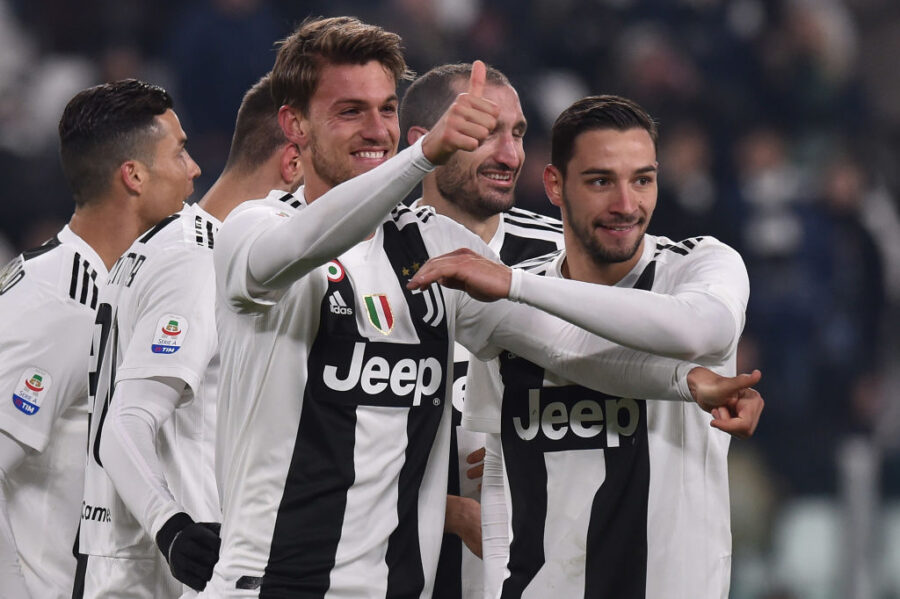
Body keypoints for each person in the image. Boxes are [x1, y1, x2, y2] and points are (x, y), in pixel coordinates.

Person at [207, 16, 761, 599]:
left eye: (386, 110)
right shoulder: (254, 230)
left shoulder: (434, 246)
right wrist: (423, 157)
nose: (376, 130)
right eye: (350, 111)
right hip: (269, 585)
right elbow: (297, 249)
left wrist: (686, 382)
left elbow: (560, 348)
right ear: (294, 124)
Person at [408, 95, 764, 598]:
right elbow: (491, 469)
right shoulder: (504, 303)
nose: (626, 204)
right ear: (554, 185)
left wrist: (516, 284)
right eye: (601, 181)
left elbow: (698, 332)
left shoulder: (700, 266)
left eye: (643, 179)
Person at [76, 73, 302, 599]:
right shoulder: (200, 258)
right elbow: (125, 423)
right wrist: (174, 531)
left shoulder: (167, 244)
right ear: (293, 163)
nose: (196, 168)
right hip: (174, 575)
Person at [0, 80, 196, 599]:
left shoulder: (124, 283)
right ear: (133, 176)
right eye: (179, 152)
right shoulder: (60, 304)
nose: (193, 170)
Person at [399, 62, 564, 599]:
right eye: (485, 131)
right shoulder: (370, 255)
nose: (510, 155)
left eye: (516, 133)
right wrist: (437, 506)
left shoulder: (563, 256)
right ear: (425, 143)